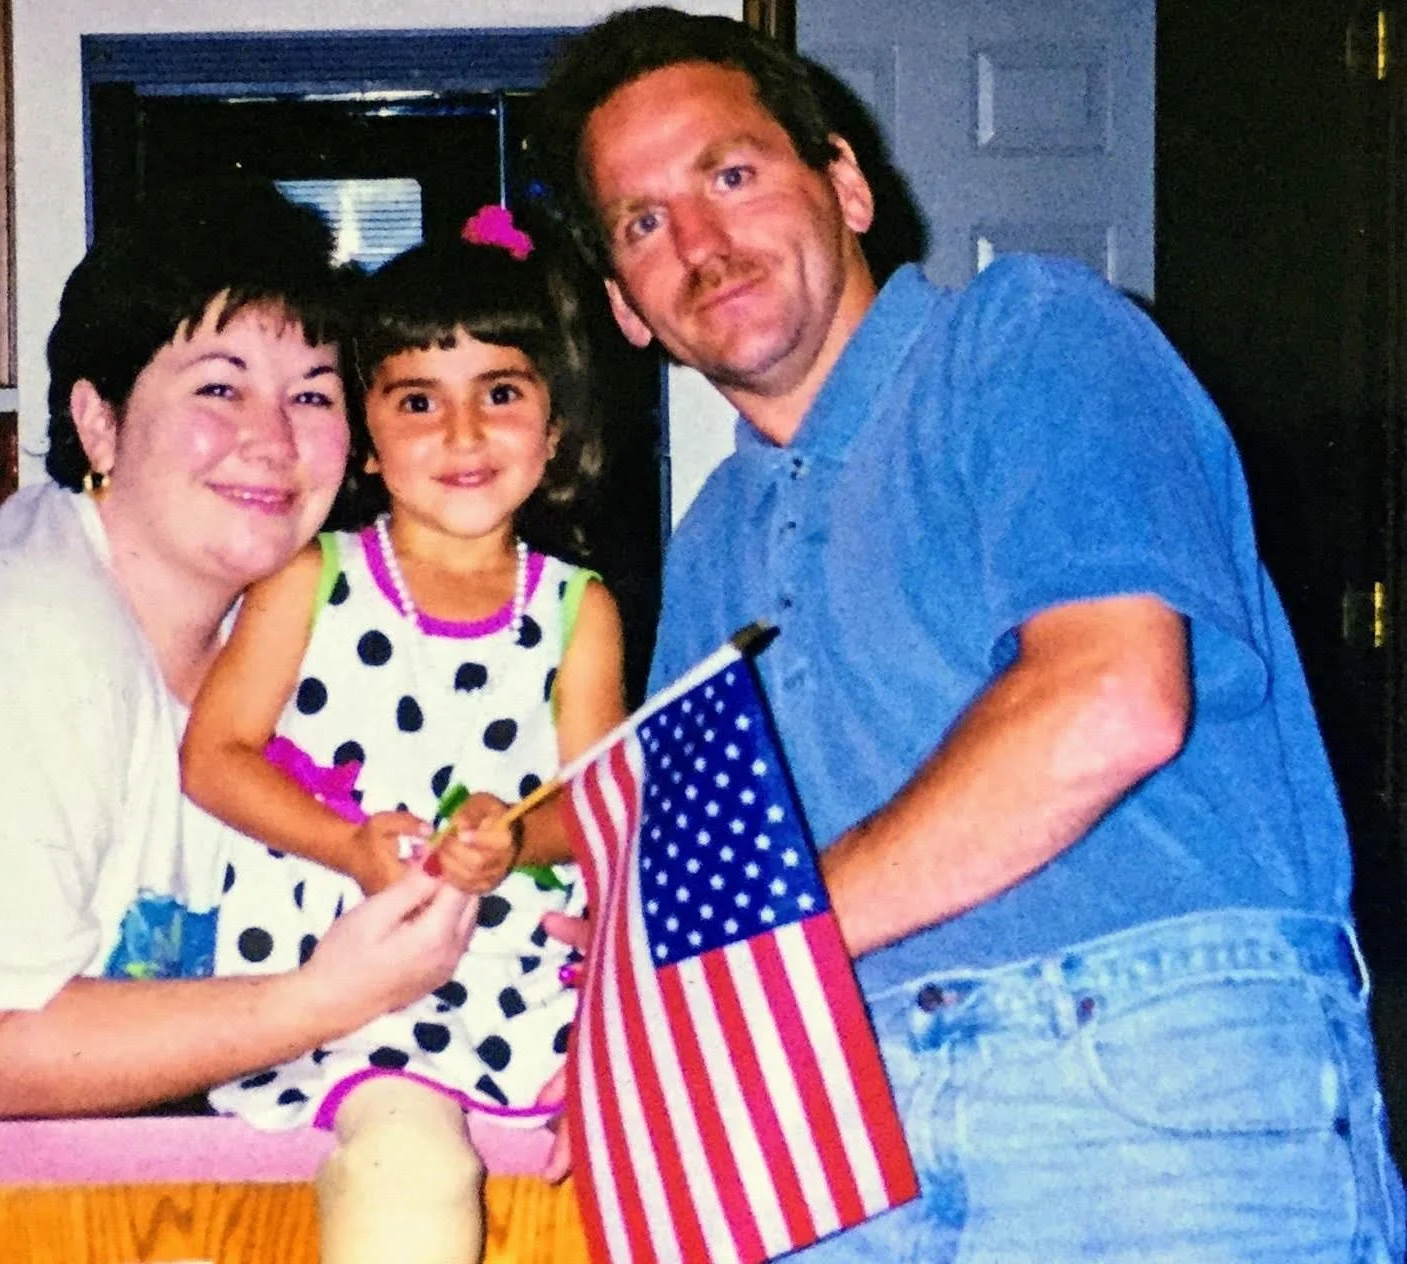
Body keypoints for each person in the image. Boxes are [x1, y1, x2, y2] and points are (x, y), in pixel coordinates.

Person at [528, 8, 1405, 1261]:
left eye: (730, 174)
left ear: (844, 183)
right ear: (625, 307)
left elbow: (1108, 699)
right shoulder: (715, 532)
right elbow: (691, 874)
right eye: (644, 223)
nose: (702, 244)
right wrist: (624, 1018)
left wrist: (758, 949)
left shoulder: (1027, 334)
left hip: (1138, 1071)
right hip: (834, 1121)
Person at [0, 186, 479, 1264]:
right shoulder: (15, 627)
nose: (270, 439)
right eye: (219, 386)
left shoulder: (251, 672)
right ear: (98, 421)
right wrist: (323, 998)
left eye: (312, 395)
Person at [178, 205, 626, 1264]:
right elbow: (212, 757)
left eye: (501, 394)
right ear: (367, 439)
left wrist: (519, 839)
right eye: (417, 399)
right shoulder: (311, 579)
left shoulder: (579, 606)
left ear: (555, 426)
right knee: (409, 1165)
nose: (461, 434)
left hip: (524, 981)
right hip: (356, 973)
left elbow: (603, 804)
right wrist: (345, 845)